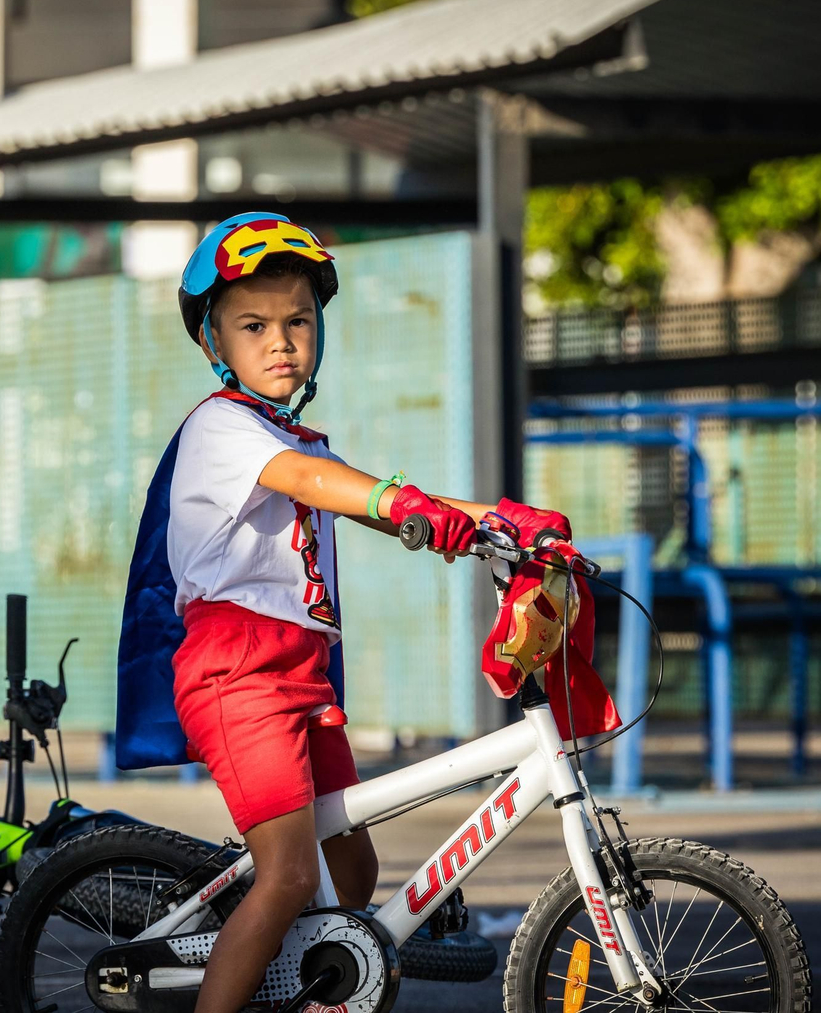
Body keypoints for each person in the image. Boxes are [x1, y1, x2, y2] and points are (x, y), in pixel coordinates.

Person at [115, 213, 563, 1013]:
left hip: (299, 674)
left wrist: (504, 521)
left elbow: (370, 496)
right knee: (288, 875)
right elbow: (323, 487)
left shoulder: (301, 440)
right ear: (215, 344)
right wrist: (396, 499)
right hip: (237, 672)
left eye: (298, 323)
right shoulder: (222, 427)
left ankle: (309, 989)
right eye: (254, 326)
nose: (280, 341)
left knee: (352, 876)